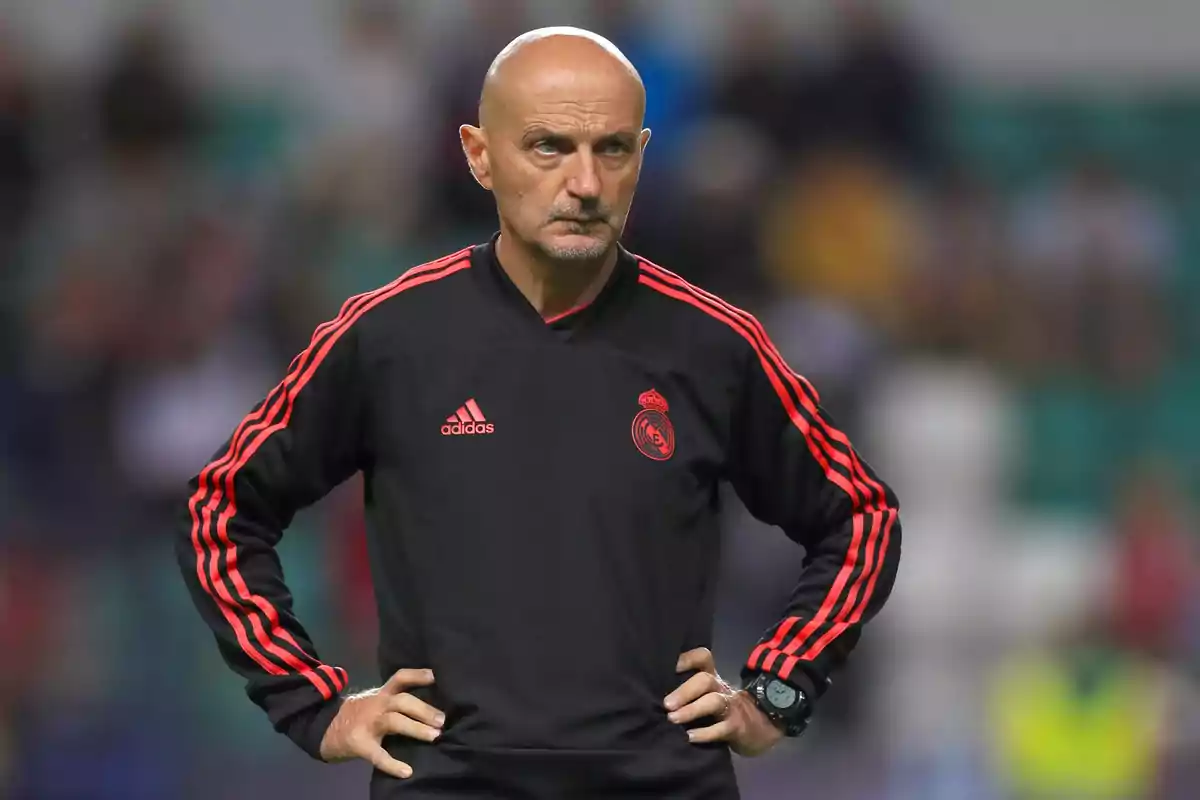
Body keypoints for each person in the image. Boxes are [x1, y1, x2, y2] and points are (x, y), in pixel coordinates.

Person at [175, 27, 902, 799]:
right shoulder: (387, 338)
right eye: (549, 147)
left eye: (612, 150)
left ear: (641, 157)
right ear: (479, 154)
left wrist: (779, 690)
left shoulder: (714, 346)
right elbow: (220, 507)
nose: (585, 183)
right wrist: (313, 705)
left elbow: (861, 516)